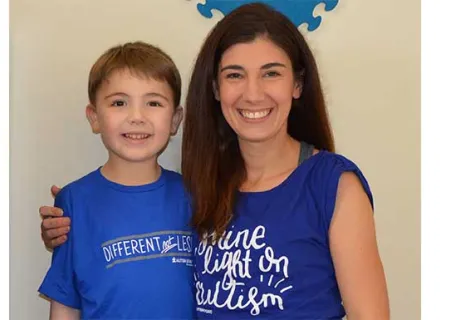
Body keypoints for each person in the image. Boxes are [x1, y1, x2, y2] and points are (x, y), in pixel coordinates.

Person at [40, 3, 390, 319]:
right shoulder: (201, 186)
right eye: (235, 75)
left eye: (271, 73)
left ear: (297, 84)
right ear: (215, 88)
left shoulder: (333, 184)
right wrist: (72, 222)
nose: (253, 93)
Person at [37, 41, 196, 320]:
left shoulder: (195, 195)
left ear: (175, 120)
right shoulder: (73, 202)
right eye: (119, 103)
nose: (137, 117)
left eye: (154, 103)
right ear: (95, 117)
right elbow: (66, 302)